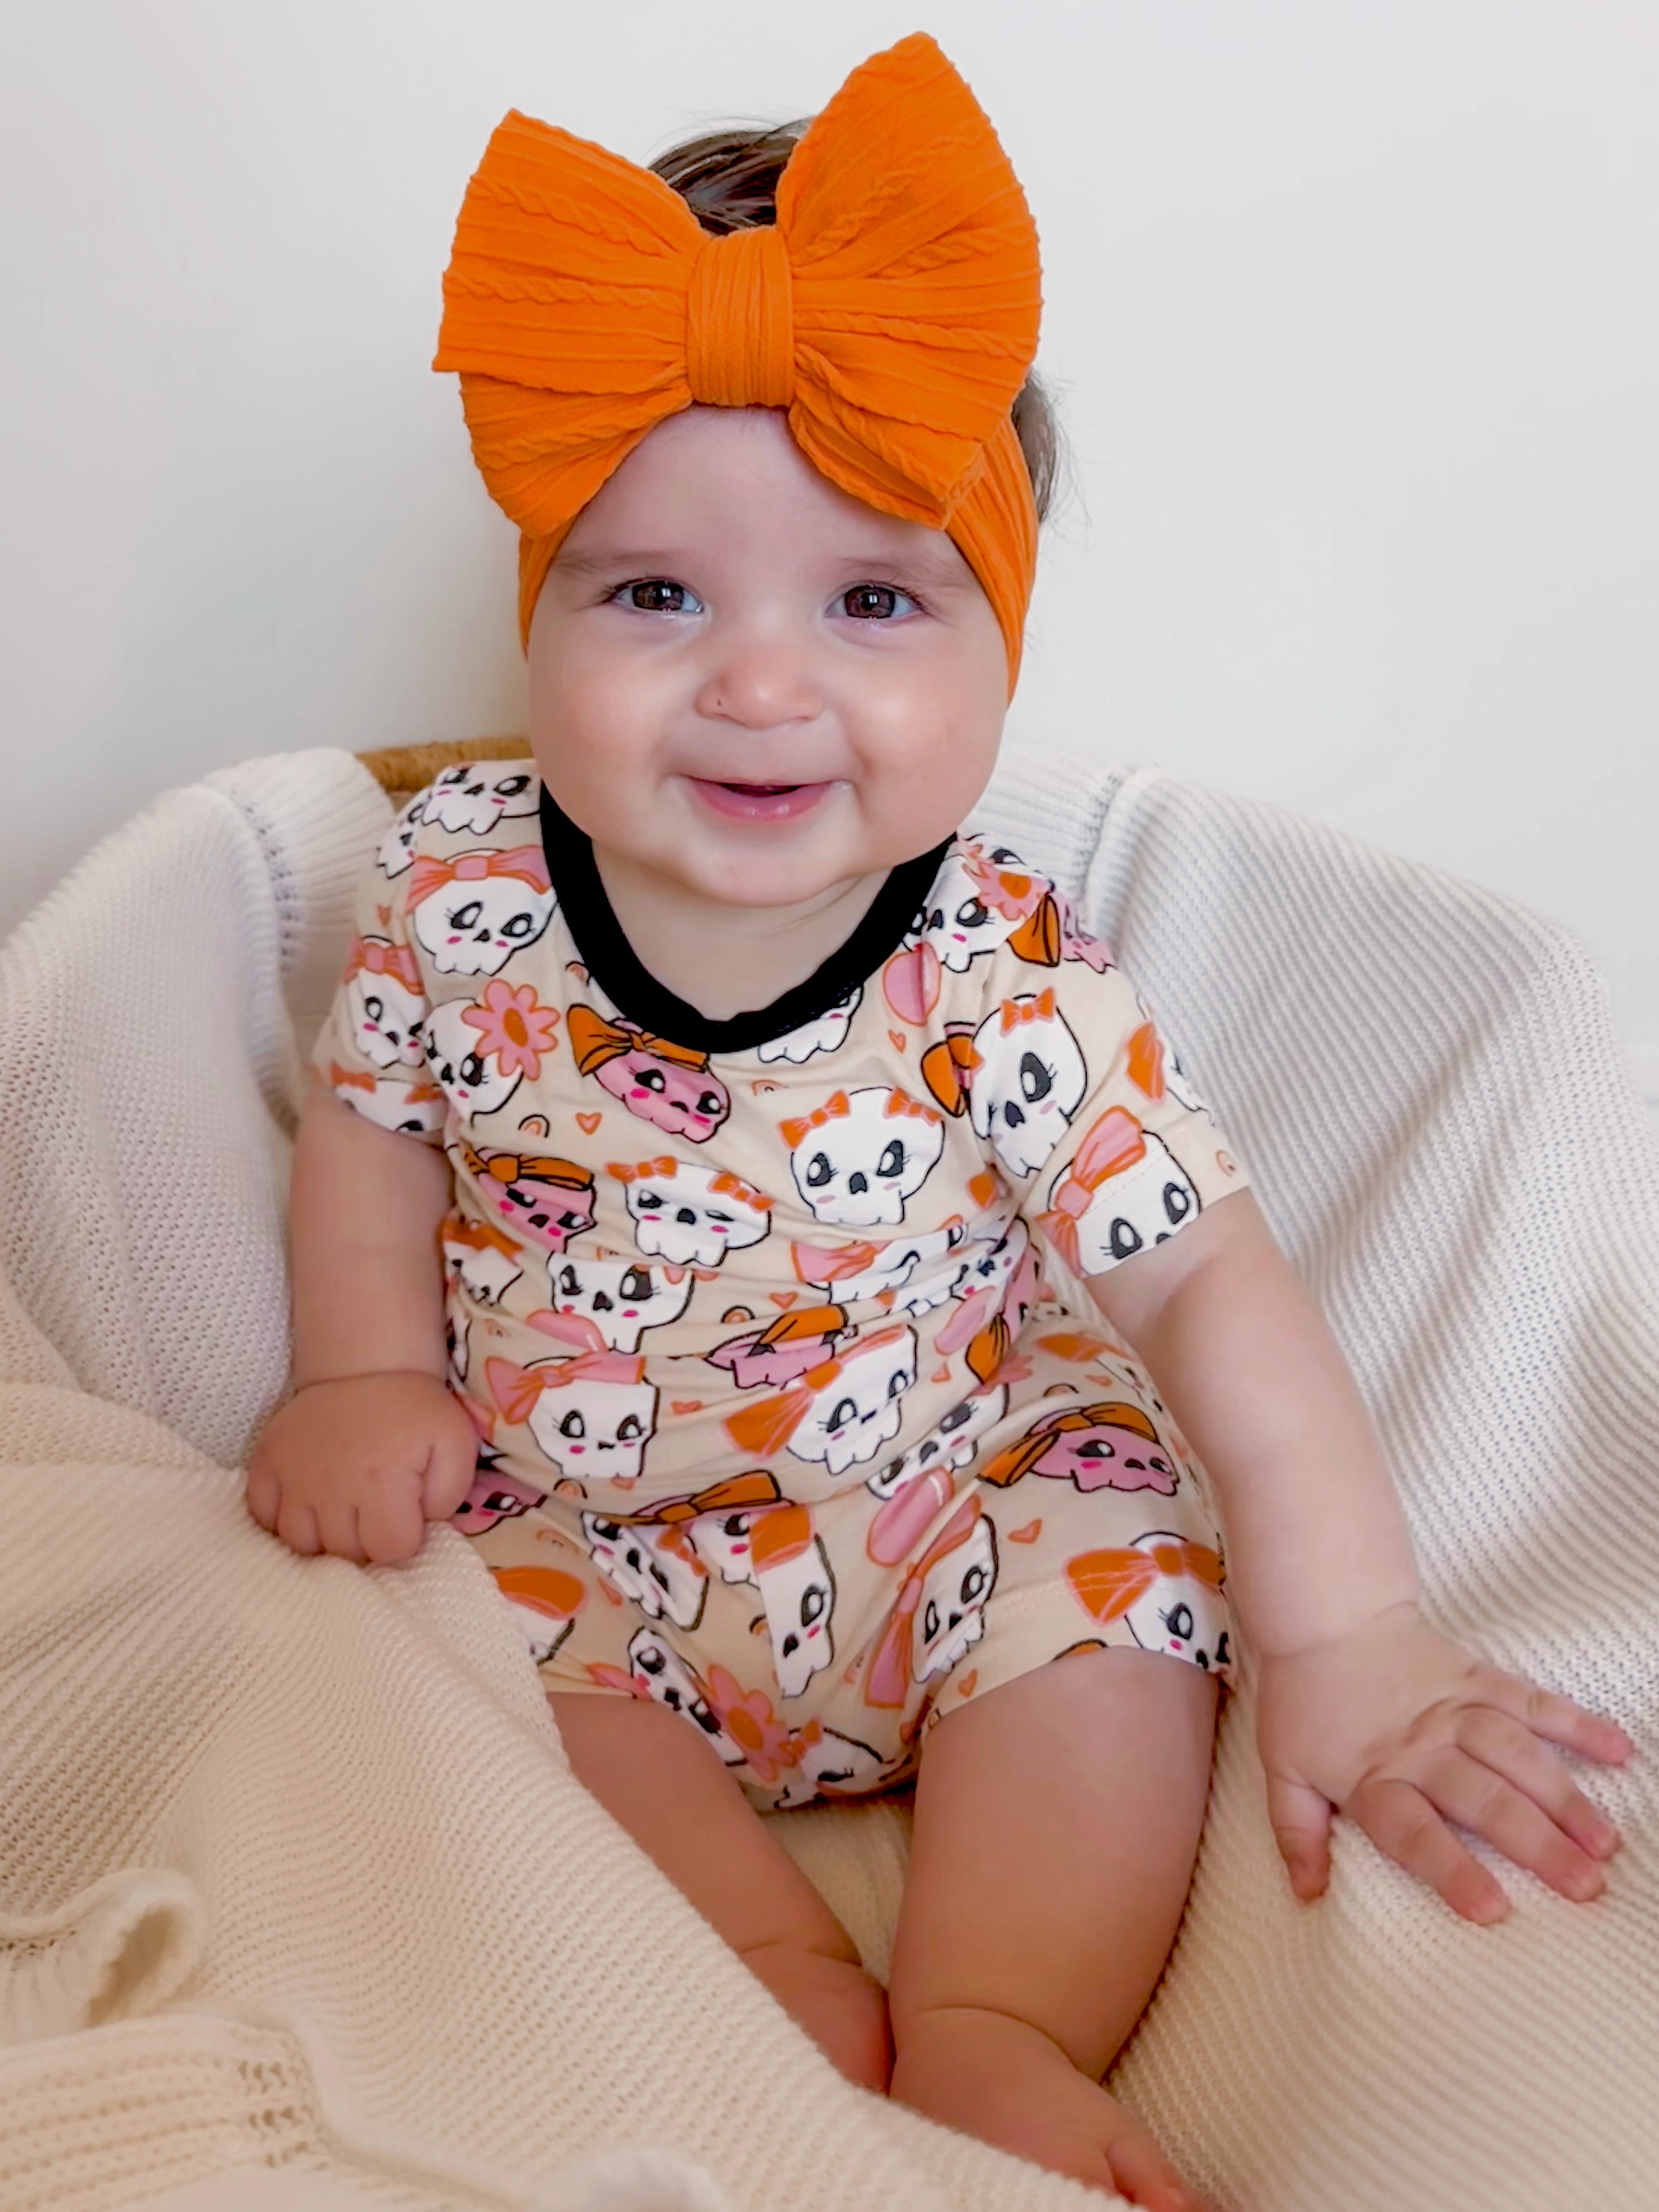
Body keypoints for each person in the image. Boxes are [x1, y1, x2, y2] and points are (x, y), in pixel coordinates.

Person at [246, 35, 1630, 2210]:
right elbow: (371, 1123)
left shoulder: (999, 954)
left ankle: (994, 2024)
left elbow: (1203, 1281)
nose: (764, 684)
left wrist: (1353, 1636)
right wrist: (358, 1374)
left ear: (1001, 636)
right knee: (433, 1638)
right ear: (544, 609)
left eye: (874, 600)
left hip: (945, 1516)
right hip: (588, 1556)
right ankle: (778, 1998)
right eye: (656, 593)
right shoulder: (462, 886)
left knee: (1118, 1569)